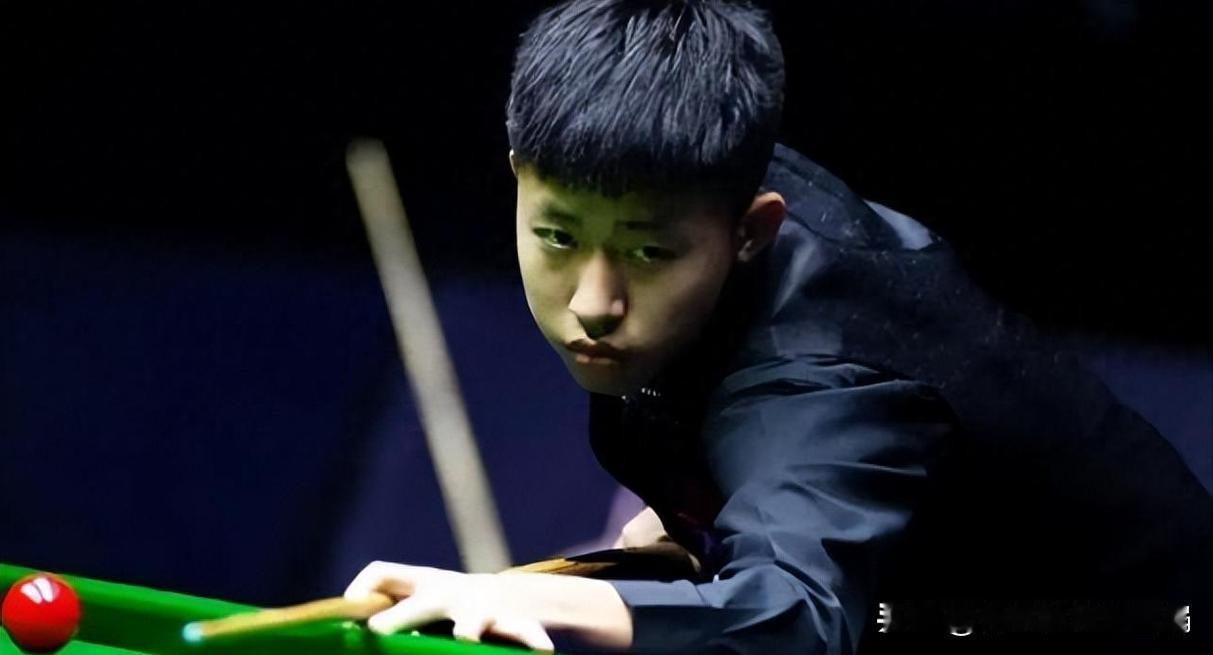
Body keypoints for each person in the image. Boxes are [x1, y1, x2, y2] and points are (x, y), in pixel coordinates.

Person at [342, 1, 1213, 652]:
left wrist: (538, 599)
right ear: (517, 181)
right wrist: (692, 521)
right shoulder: (684, 164)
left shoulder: (827, 376)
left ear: (752, 230)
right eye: (559, 237)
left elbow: (798, 615)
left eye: (648, 253)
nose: (594, 301)